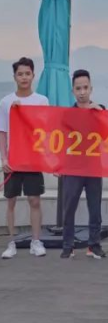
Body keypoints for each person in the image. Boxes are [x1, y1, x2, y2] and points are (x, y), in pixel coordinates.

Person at [0, 57, 49, 259]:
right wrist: (4, 159)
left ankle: (36, 241)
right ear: (14, 77)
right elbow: (3, 132)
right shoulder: (6, 102)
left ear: (33, 75)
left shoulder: (41, 101)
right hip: (13, 159)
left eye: (27, 73)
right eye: (20, 74)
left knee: (34, 200)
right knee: (11, 201)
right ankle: (11, 242)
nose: (24, 77)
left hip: (33, 158)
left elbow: (45, 129)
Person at [60, 70, 106, 259]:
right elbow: (60, 141)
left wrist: (100, 114)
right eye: (78, 88)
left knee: (95, 208)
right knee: (69, 207)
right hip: (73, 167)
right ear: (73, 91)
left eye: (85, 88)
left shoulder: (100, 110)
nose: (82, 92)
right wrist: (59, 165)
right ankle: (67, 245)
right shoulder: (67, 114)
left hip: (94, 166)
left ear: (91, 88)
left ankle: (94, 245)